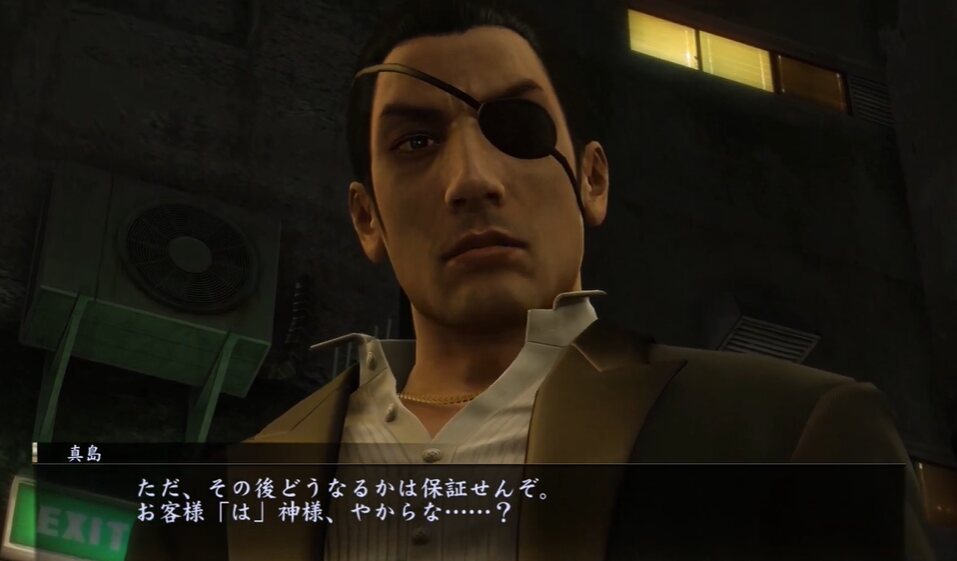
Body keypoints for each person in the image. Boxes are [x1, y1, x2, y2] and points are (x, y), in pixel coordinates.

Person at [230, 1, 936, 560]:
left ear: (591, 180)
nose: (472, 180)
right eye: (416, 141)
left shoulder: (789, 436)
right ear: (366, 219)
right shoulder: (246, 488)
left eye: (517, 129)